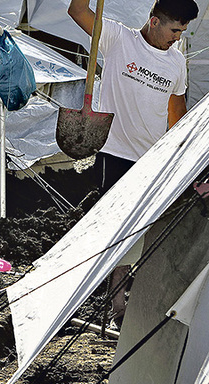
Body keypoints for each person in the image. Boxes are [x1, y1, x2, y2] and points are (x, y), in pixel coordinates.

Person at [68, 0, 199, 325]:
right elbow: (77, 10)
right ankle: (116, 305)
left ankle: (129, 301)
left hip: (152, 160)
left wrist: (179, 150)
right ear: (154, 21)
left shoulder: (176, 61)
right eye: (174, 30)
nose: (177, 39)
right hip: (115, 154)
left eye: (182, 32)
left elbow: (176, 110)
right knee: (118, 231)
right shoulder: (116, 39)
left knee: (141, 234)